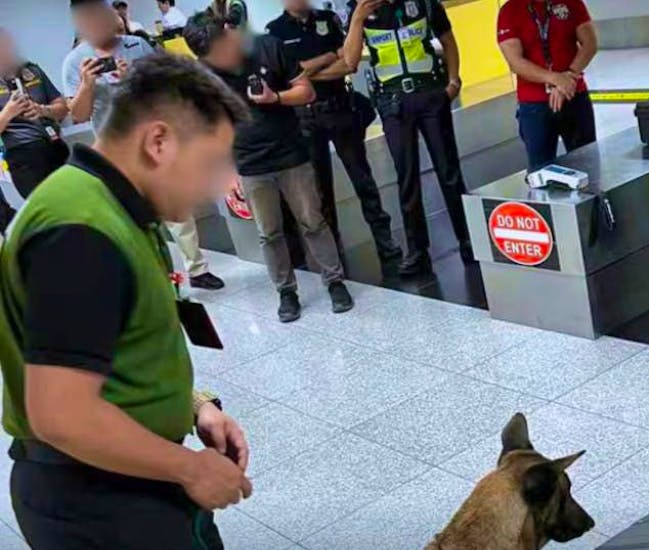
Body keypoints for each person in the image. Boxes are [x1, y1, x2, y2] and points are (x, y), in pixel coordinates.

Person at [1, 53, 253, 550]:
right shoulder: (79, 232)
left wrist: (195, 405)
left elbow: (116, 346)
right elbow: (61, 415)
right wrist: (189, 468)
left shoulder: (113, 204)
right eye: (211, 163)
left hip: (141, 476)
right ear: (158, 142)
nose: (220, 186)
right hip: (102, 501)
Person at [185, 12, 355, 321]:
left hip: (290, 153)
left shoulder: (267, 47)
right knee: (269, 233)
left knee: (313, 221)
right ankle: (286, 292)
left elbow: (306, 92)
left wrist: (274, 97)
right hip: (249, 164)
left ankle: (334, 281)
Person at [65, 0, 228, 291]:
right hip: (115, 151)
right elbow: (77, 113)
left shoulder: (137, 45)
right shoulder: (75, 61)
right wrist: (87, 85)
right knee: (131, 216)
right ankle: (153, 279)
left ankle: (197, 269)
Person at [343, 0, 474, 276]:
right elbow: (350, 62)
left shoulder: (424, 2)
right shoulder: (360, 8)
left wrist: (453, 81)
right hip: (393, 103)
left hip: (431, 94)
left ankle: (469, 240)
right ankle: (418, 252)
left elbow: (448, 40)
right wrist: (357, 19)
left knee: (449, 172)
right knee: (407, 177)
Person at [266, 0, 402, 265]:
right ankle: (334, 253)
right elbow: (290, 77)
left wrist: (308, 71)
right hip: (307, 118)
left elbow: (349, 61)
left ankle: (386, 243)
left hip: (340, 109)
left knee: (363, 180)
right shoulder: (276, 31)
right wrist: (329, 57)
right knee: (320, 192)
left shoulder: (328, 19)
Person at [497, 0, 598, 172]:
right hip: (535, 105)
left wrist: (569, 76)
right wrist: (555, 79)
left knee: (587, 165)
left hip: (573, 95)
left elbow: (590, 44)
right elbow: (516, 62)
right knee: (541, 170)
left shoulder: (571, 3)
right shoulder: (510, 11)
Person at [0, 29, 71, 199]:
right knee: (48, 208)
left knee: (74, 200)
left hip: (55, 145)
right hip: (24, 155)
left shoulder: (32, 70)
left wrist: (42, 110)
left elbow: (63, 107)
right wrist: (8, 112)